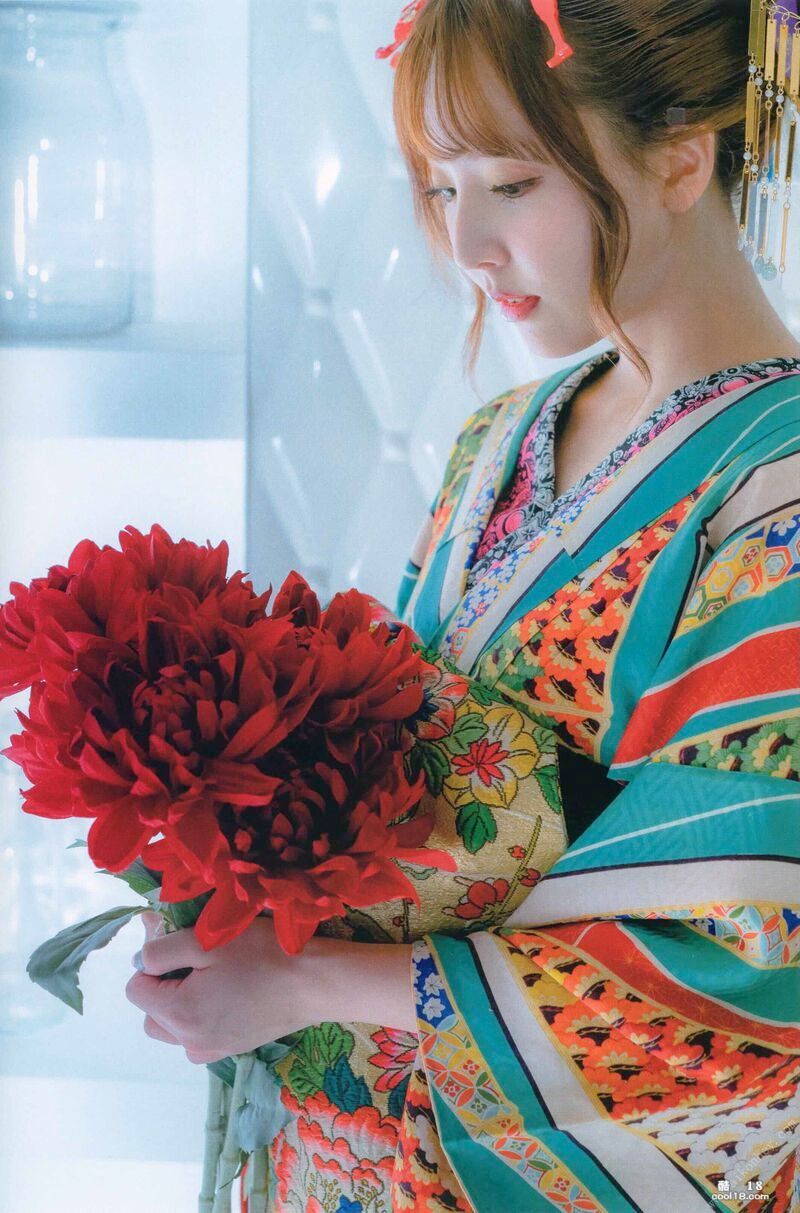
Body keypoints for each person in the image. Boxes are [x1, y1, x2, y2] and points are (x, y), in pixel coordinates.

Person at [126, 1, 800, 1209]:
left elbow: (748, 963)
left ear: (677, 158)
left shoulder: (774, 489)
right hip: (356, 1149)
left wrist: (307, 982)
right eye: (441, 189)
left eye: (510, 183)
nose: (466, 243)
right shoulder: (502, 436)